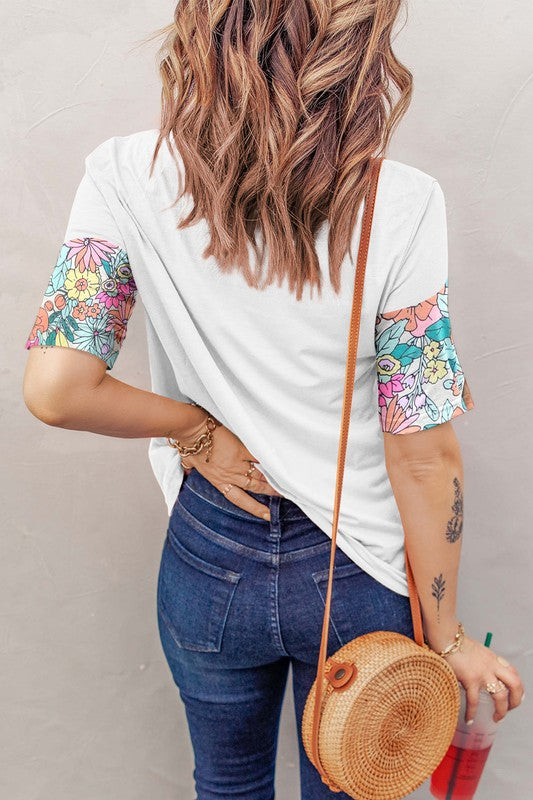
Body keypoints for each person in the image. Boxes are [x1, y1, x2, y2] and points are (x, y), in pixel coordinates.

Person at [22, 2, 525, 798]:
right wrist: (449, 634)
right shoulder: (399, 203)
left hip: (211, 551)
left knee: (226, 785)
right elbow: (423, 453)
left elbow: (56, 389)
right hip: (356, 567)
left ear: (205, 34)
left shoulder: (121, 176)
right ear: (354, 53)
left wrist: (194, 429)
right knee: (352, 786)